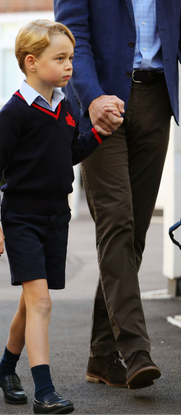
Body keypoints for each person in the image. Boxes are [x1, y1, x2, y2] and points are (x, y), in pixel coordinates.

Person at [0, 20, 122, 415]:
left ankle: (6, 368)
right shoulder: (13, 113)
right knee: (41, 302)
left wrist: (97, 133)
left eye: (71, 58)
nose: (69, 66)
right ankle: (45, 391)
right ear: (31, 62)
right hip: (21, 217)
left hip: (55, 216)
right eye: (60, 58)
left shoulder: (67, 107)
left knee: (31, 302)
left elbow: (69, 153)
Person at [54, 0, 181, 390]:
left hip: (157, 99)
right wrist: (91, 98)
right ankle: (136, 350)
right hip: (101, 104)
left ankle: (101, 356)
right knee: (116, 222)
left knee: (134, 233)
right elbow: (75, 38)